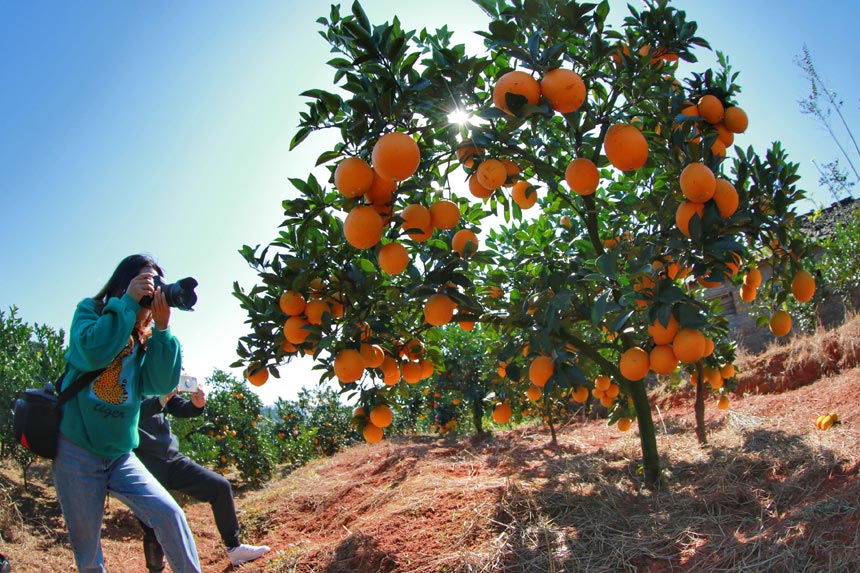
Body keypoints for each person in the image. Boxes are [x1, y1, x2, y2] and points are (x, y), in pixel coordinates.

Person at [52, 254, 201, 573]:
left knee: (169, 515)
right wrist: (126, 304)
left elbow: (161, 383)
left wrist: (162, 329)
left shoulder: (144, 336)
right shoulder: (90, 312)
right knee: (89, 552)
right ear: (126, 281)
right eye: (148, 281)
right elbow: (92, 353)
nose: (154, 290)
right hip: (76, 450)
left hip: (120, 454)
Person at [135, 387, 270, 570]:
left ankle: (234, 547)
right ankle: (155, 569)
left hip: (171, 459)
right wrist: (160, 400)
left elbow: (179, 406)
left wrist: (195, 405)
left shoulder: (156, 382)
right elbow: (129, 414)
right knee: (152, 526)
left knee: (219, 487)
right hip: (143, 464)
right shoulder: (126, 382)